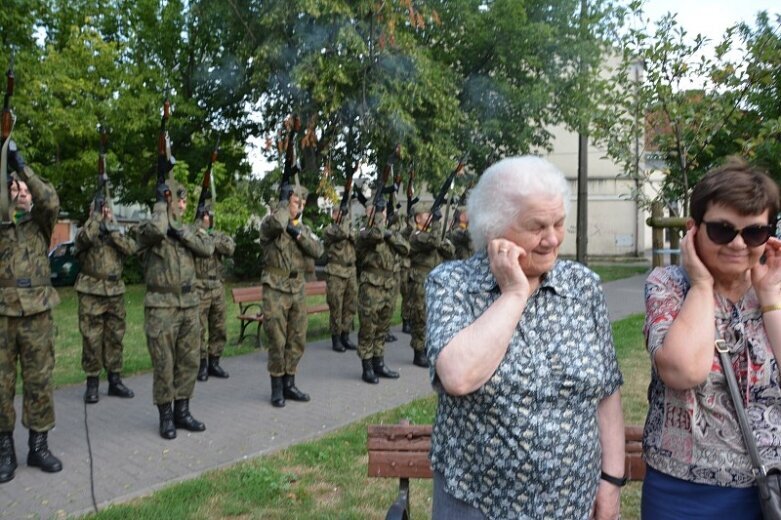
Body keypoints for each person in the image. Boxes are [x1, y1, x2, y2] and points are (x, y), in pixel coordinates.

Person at [425, 156, 624, 519]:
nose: (552, 239)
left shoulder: (583, 287)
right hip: (477, 504)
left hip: (573, 503)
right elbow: (457, 376)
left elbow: (607, 391)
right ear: (493, 230)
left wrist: (611, 481)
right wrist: (514, 294)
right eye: (537, 227)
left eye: (559, 223)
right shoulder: (452, 284)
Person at [641, 158, 781, 519]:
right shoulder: (669, 285)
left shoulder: (775, 288)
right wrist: (702, 285)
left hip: (773, 486)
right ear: (693, 229)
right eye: (722, 230)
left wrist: (770, 300)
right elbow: (683, 372)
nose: (738, 244)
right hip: (684, 494)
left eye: (754, 233)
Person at [0, 143, 63, 483]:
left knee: (39, 381)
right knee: (1, 386)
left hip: (38, 312)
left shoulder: (40, 222)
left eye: (25, 191)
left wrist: (21, 166)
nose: (22, 194)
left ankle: (38, 446)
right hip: (3, 316)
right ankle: (4, 450)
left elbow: (50, 199)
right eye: (15, 190)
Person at [136, 183, 214, 439]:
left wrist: (181, 234)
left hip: (189, 304)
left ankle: (183, 410)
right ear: (167, 201)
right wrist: (160, 207)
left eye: (185, 202)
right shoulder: (149, 229)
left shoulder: (189, 230)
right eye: (178, 201)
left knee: (189, 361)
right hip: (161, 306)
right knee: (164, 364)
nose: (183, 206)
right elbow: (156, 230)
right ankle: (166, 416)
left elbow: (208, 249)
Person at [259, 185, 323, 407]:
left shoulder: (301, 228)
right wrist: (285, 207)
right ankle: (277, 388)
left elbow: (318, 251)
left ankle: (290, 383)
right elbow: (277, 223)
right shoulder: (271, 225)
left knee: (296, 338)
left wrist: (298, 235)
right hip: (275, 288)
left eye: (302, 202)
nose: (300, 206)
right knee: (277, 340)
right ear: (286, 202)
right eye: (296, 201)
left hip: (297, 288)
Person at [74, 203, 137, 404]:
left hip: (115, 291)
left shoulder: (114, 233)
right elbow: (83, 240)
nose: (105, 213)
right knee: (91, 338)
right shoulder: (86, 231)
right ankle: (92, 382)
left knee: (115, 336)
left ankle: (114, 380)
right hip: (91, 291)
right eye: (101, 209)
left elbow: (130, 249)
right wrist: (96, 220)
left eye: (107, 209)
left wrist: (112, 230)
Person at [355, 198, 410, 384]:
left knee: (382, 327)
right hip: (371, 286)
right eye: (375, 210)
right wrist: (379, 223)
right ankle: (367, 366)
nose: (380, 214)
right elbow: (376, 235)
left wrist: (390, 235)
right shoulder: (364, 233)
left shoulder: (390, 232)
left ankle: (379, 362)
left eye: (382, 211)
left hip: (389, 285)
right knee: (368, 328)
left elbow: (405, 248)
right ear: (367, 213)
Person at [408, 202, 454, 367]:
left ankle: (430, 348)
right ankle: (418, 352)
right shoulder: (416, 235)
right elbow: (433, 242)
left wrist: (445, 245)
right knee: (420, 316)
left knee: (434, 316)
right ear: (418, 218)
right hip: (420, 279)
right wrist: (436, 223)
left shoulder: (431, 235)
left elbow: (449, 251)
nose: (431, 217)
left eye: (431, 215)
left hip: (435, 279)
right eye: (428, 215)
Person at [194, 209, 235, 381]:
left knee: (219, 326)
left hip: (217, 285)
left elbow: (230, 248)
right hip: (199, 285)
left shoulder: (218, 235)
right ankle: (201, 365)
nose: (208, 218)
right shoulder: (193, 235)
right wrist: (207, 239)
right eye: (204, 215)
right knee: (199, 328)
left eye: (210, 216)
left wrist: (212, 238)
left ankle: (214, 362)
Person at [324, 206, 358, 353]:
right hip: (336, 271)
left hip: (350, 271)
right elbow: (342, 233)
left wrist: (351, 231)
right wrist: (345, 224)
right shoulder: (329, 230)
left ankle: (346, 334)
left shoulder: (349, 228)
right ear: (333, 215)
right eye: (338, 212)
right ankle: (336, 338)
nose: (342, 215)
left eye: (343, 212)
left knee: (350, 304)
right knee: (336, 305)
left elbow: (358, 240)